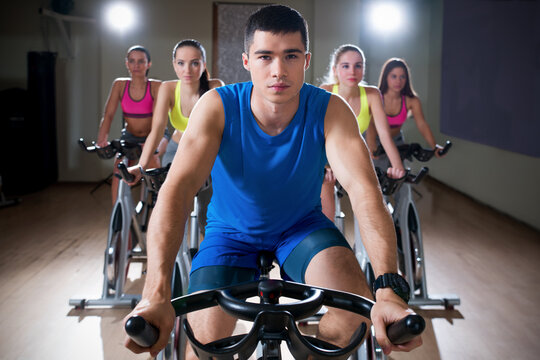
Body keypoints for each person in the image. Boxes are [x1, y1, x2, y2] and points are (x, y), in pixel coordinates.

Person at [124, 5, 422, 359]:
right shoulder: (216, 106)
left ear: (306, 59)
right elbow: (177, 191)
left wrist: (388, 288)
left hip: (302, 228)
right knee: (204, 341)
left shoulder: (330, 110)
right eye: (265, 56)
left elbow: (364, 191)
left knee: (354, 318)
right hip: (230, 231)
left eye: (290, 56)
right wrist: (155, 292)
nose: (278, 71)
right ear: (247, 61)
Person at [319, 44, 406, 220]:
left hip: (353, 155)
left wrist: (397, 166)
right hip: (325, 154)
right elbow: (317, 135)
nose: (352, 71)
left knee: (372, 199)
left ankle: (365, 245)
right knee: (326, 206)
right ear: (335, 70)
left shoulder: (372, 94)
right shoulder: (326, 91)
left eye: (358, 65)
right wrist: (325, 165)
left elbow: (384, 135)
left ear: (363, 69)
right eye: (346, 66)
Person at [127, 39, 224, 181]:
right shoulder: (167, 89)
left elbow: (223, 128)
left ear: (203, 65)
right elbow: (157, 130)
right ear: (174, 65)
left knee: (205, 202)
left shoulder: (215, 86)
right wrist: (141, 166)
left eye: (195, 63)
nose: (187, 70)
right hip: (177, 150)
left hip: (208, 152)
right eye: (181, 63)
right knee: (173, 197)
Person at [96, 45, 163, 204]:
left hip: (155, 133)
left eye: (141, 61)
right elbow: (109, 114)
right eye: (132, 61)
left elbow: (158, 121)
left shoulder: (155, 86)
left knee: (153, 160)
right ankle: (118, 217)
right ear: (126, 63)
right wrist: (101, 139)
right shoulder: (120, 85)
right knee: (118, 169)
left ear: (149, 64)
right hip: (130, 135)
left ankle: (159, 204)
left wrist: (150, 144)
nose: (136, 65)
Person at [374, 57, 444, 163]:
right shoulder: (375, 97)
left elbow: (422, 124)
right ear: (386, 77)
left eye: (402, 77)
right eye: (394, 76)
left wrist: (434, 146)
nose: (398, 81)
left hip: (396, 141)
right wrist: (371, 145)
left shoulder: (412, 101)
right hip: (374, 140)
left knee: (399, 174)